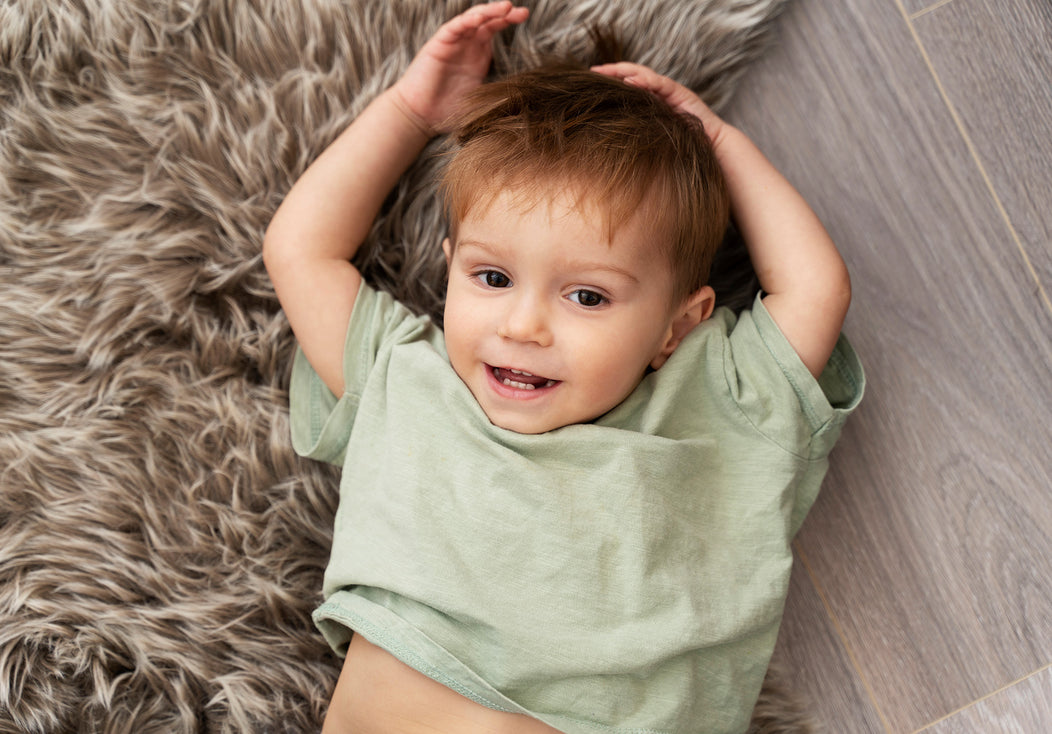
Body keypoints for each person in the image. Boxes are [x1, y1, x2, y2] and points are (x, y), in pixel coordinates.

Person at [263, 2, 864, 732]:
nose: (523, 326)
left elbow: (814, 289)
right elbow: (301, 249)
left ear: (677, 326)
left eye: (587, 295)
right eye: (491, 279)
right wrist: (411, 109)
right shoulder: (404, 378)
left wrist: (717, 142)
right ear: (451, 271)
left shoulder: (717, 407)